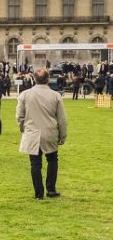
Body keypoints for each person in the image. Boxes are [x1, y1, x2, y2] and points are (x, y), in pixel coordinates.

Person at [16, 68, 68, 199]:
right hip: (50, 132)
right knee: (52, 160)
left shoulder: (24, 94)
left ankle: (39, 193)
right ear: (48, 79)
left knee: (35, 164)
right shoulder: (56, 95)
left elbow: (19, 116)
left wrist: (23, 128)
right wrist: (62, 135)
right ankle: (51, 189)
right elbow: (62, 119)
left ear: (34, 79)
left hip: (32, 132)